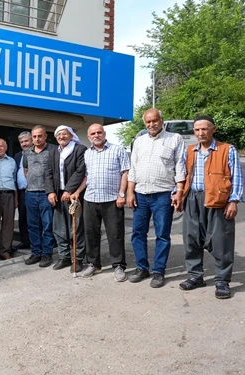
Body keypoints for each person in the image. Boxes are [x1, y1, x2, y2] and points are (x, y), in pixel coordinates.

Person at [178, 115, 243, 299]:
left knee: (221, 241)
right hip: (193, 199)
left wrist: (233, 201)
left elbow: (237, 176)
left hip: (218, 199)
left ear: (213, 129)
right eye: (197, 130)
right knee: (191, 239)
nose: (201, 133)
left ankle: (222, 281)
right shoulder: (190, 150)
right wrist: (178, 194)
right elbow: (183, 175)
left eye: (205, 129)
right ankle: (195, 276)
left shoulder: (227, 149)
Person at [127, 108, 186, 288]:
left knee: (162, 235)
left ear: (162, 120)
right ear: (144, 123)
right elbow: (133, 168)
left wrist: (179, 191)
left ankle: (159, 271)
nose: (151, 124)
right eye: (148, 121)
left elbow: (180, 166)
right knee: (138, 233)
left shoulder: (175, 138)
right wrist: (130, 192)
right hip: (140, 194)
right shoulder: (139, 141)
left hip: (163, 194)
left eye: (154, 121)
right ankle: (142, 268)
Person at [80, 124, 130, 280]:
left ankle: (118, 265)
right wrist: (76, 192)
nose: (96, 135)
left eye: (99, 132)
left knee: (115, 234)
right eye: (93, 133)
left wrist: (121, 194)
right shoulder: (87, 153)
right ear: (89, 137)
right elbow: (86, 177)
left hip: (112, 200)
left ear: (104, 133)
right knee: (91, 234)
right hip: (90, 199)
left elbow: (125, 173)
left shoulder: (117, 150)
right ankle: (93, 264)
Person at [49, 126, 87, 274]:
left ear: (71, 135)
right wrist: (50, 192)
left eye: (64, 134)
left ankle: (78, 259)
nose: (61, 136)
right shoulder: (54, 152)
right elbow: (48, 172)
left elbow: (80, 171)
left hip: (74, 195)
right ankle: (64, 257)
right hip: (58, 195)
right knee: (59, 228)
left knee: (76, 229)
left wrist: (69, 190)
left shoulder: (79, 149)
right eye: (58, 134)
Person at [23, 125, 56, 267]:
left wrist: (51, 191)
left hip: (46, 193)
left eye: (40, 136)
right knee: (32, 225)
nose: (37, 139)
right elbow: (26, 170)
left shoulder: (53, 150)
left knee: (47, 225)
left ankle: (47, 254)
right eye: (34, 136)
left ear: (45, 136)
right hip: (30, 193)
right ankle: (36, 252)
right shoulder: (27, 153)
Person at [12, 132, 33, 250]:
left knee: (34, 217)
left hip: (34, 191)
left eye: (26, 141)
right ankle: (25, 241)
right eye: (22, 142)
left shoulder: (37, 153)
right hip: (21, 192)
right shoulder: (18, 155)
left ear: (31, 141)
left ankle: (36, 242)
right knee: (23, 217)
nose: (24, 144)